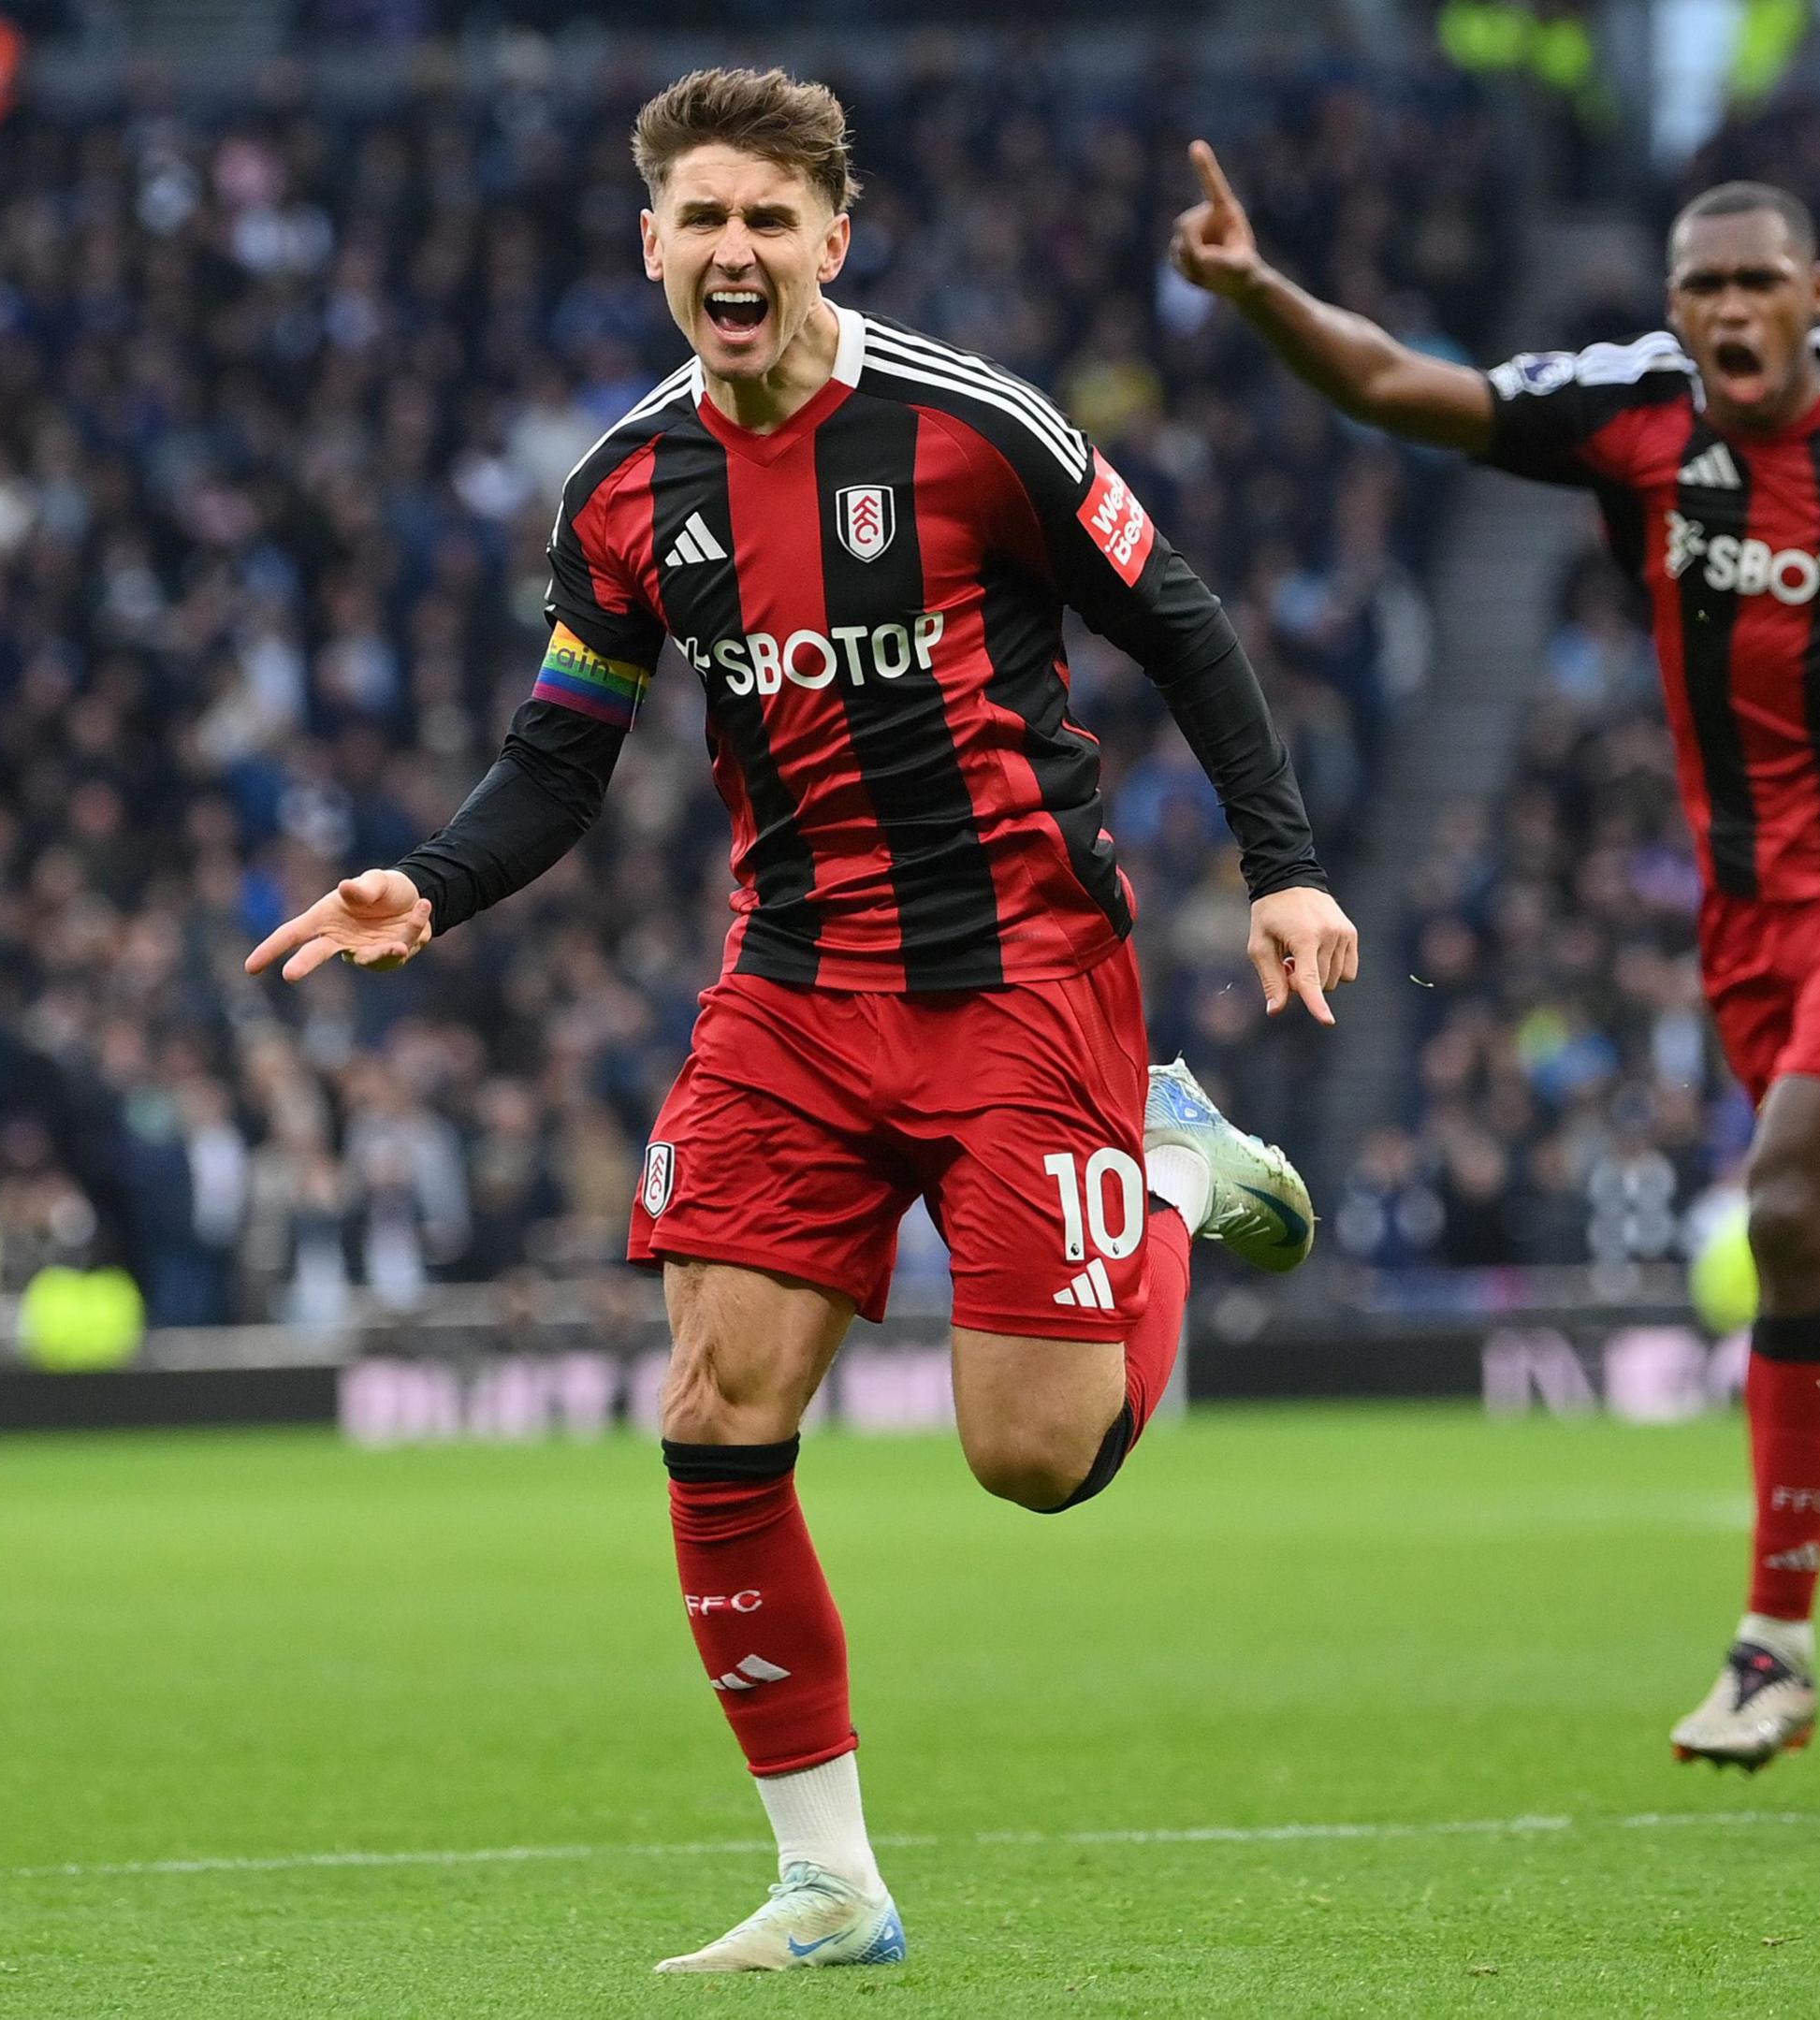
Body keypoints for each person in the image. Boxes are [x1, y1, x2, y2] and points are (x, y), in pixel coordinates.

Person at [247, 69, 1359, 1972]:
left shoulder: (974, 426)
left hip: (1019, 970)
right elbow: (560, 756)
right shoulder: (624, 491)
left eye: (772, 218)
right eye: (703, 219)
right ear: (655, 245)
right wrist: (425, 879)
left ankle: (1166, 1174)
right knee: (714, 1406)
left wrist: (1281, 862)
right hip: (791, 988)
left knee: (1034, 1455)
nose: (736, 250)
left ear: (835, 240)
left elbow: (1177, 617)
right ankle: (829, 1873)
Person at [1173, 146, 1820, 1768]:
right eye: (1705, 287)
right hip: (1752, 915)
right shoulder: (1632, 408)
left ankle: (1775, 1644)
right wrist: (1260, 287)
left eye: (1762, 281)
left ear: (1816, 294)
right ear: (1677, 308)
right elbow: (1407, 388)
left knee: (1780, 1208)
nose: (1732, 309)